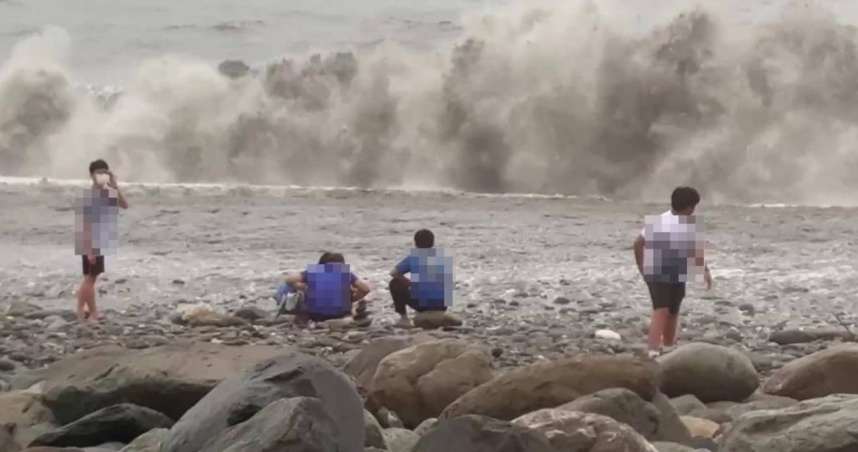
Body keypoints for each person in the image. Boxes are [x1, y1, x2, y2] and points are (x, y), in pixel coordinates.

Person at [634, 186, 712, 358]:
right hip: (656, 271)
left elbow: (694, 249)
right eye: (694, 207)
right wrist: (643, 269)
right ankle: (653, 350)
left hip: (677, 271)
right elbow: (638, 243)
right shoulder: (660, 221)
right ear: (690, 207)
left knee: (673, 311)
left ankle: (668, 347)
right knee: (661, 310)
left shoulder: (689, 224)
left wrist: (705, 270)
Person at [75, 159, 129, 323]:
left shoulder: (106, 193)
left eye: (105, 172)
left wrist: (115, 185)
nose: (102, 175)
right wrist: (91, 250)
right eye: (99, 172)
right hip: (92, 240)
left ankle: (83, 310)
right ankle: (91, 312)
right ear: (91, 175)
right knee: (90, 278)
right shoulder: (91, 195)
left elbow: (124, 205)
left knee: (89, 277)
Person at [282, 252, 371, 326]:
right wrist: (352, 299)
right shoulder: (345, 273)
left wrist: (304, 287)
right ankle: (354, 313)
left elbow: (289, 280)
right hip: (339, 314)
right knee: (346, 293)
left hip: (314, 314)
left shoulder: (315, 271)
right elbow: (365, 289)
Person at [389, 229, 453, 328]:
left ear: (416, 243)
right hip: (442, 304)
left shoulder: (414, 257)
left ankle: (404, 319)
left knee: (395, 283)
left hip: (422, 304)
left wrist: (410, 283)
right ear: (433, 242)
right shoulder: (442, 257)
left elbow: (393, 273)